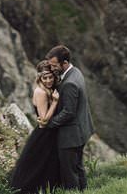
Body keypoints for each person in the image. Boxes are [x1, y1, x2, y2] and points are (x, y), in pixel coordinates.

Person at [41, 45, 95, 191]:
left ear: (64, 63)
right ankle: (84, 190)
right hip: (81, 130)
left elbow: (68, 112)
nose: (52, 69)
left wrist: (49, 123)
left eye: (54, 65)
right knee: (78, 167)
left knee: (69, 173)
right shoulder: (75, 72)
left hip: (71, 136)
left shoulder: (69, 83)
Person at [8, 60, 62, 193]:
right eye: (45, 78)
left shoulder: (48, 89)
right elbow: (43, 120)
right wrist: (55, 102)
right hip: (44, 135)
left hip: (49, 134)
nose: (49, 80)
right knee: (37, 167)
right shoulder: (41, 92)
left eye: (51, 77)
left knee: (45, 166)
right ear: (40, 78)